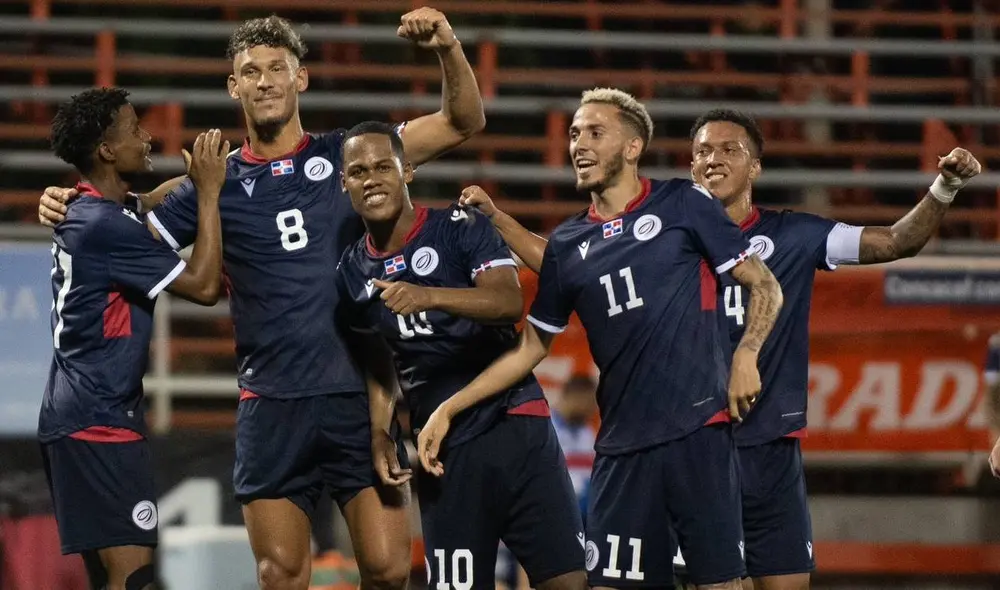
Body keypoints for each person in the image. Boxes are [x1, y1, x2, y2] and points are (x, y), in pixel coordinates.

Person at [36, 9, 485, 590]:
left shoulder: (353, 157)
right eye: (251, 71)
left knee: (389, 569)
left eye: (278, 68)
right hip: (271, 405)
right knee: (280, 575)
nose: (266, 80)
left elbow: (462, 120)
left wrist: (448, 47)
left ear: (301, 79)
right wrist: (65, 199)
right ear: (234, 86)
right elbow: (118, 215)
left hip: (357, 397)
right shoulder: (210, 184)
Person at [464, 105, 982, 590]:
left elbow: (895, 241)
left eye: (729, 150)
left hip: (768, 449)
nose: (714, 159)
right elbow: (578, 262)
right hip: (696, 443)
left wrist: (944, 187)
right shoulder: (668, 231)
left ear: (755, 167)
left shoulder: (797, 235)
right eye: (703, 151)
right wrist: (501, 222)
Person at [425, 88, 785, 590]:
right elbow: (531, 347)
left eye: (595, 133)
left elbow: (764, 283)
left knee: (721, 585)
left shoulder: (683, 202)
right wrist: (449, 408)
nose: (579, 144)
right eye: (574, 134)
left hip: (697, 433)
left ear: (633, 147)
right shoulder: (570, 244)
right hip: (620, 450)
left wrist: (746, 354)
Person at [335, 122, 587, 590]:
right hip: (441, 447)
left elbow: (509, 302)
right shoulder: (351, 271)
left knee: (567, 582)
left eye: (382, 166)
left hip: (515, 424)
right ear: (344, 183)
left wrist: (430, 296)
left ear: (406, 170)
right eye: (357, 171)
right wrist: (378, 431)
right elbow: (378, 360)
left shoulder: (459, 226)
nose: (371, 178)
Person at [40, 87, 227, 590]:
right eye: (134, 129)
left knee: (110, 580)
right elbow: (207, 287)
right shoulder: (105, 224)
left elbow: (150, 202)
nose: (147, 137)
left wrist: (194, 179)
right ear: (105, 150)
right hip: (99, 421)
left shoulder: (95, 209)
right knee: (136, 579)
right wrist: (207, 193)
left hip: (78, 416)